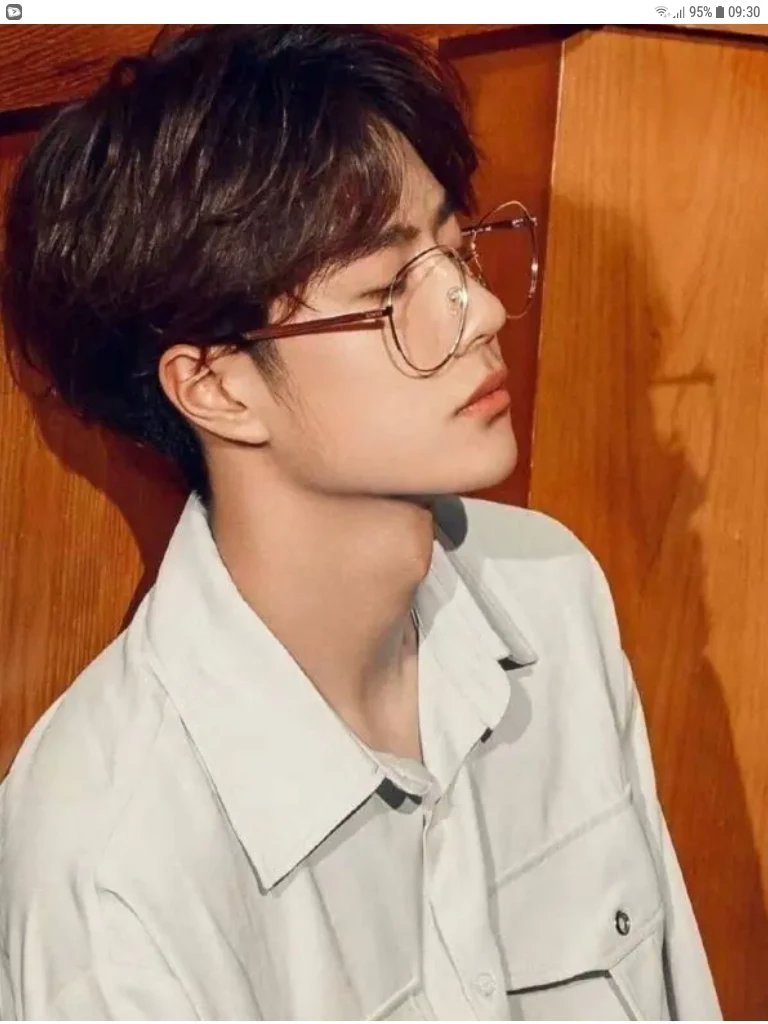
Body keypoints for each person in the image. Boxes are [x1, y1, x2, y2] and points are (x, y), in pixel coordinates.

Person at [0, 24, 720, 1022]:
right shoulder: (114, 851)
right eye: (388, 293)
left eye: (455, 252)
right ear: (215, 387)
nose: (480, 314)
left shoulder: (551, 592)